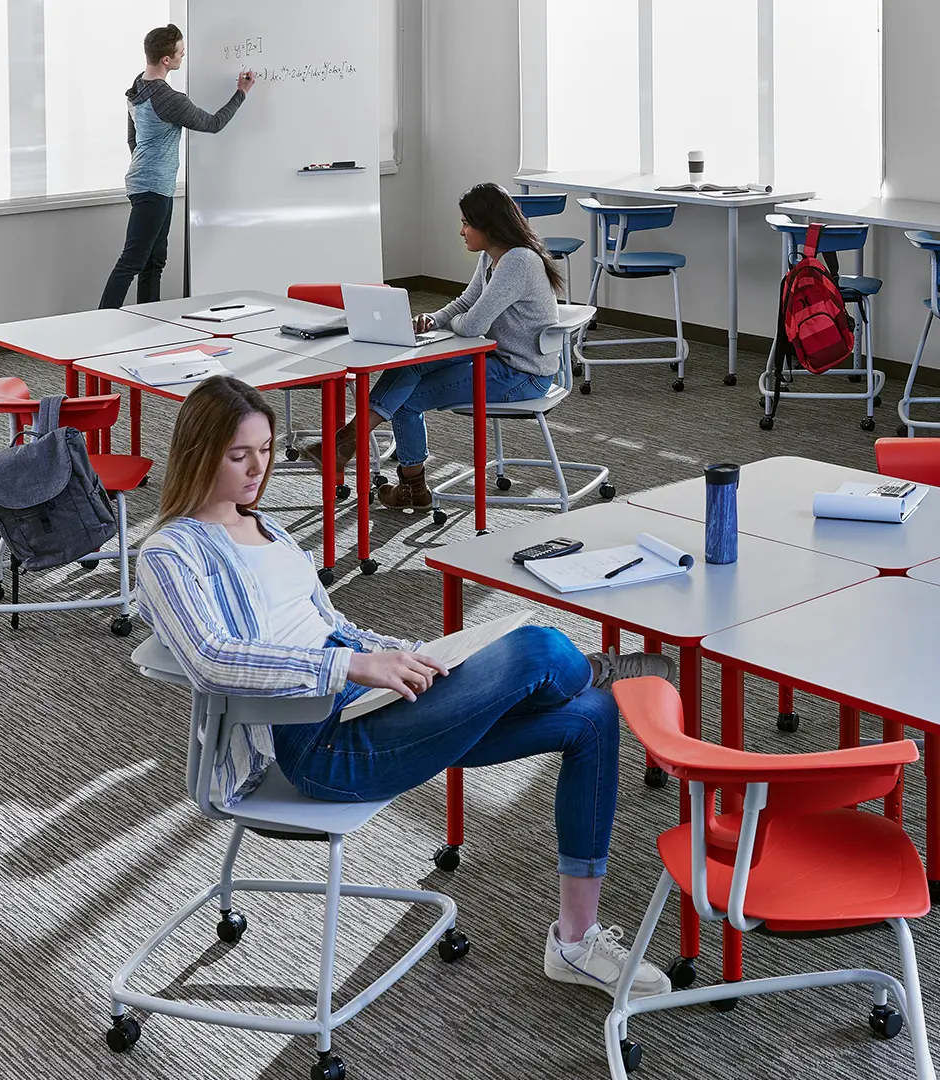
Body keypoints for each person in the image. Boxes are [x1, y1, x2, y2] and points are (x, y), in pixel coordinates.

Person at [136, 376, 673, 1000]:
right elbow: (212, 660)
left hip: (368, 705)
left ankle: (575, 943)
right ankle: (591, 667)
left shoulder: (270, 532)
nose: (259, 469)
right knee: (542, 648)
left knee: (592, 718)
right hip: (318, 744)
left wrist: (398, 656)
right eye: (238, 456)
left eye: (264, 449)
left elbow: (329, 626)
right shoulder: (170, 553)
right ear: (199, 454)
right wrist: (351, 669)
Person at [310, 183, 564, 510]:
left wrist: (457, 323)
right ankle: (348, 447)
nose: (461, 231)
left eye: (467, 224)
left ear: (489, 226)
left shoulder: (518, 262)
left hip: (522, 374)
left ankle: (400, 481)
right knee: (409, 365)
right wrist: (434, 319)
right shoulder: (493, 257)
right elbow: (467, 303)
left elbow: (473, 325)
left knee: (405, 400)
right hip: (495, 359)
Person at [98, 25, 254, 309]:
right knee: (132, 261)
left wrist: (148, 164)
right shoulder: (169, 99)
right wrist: (241, 93)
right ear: (166, 60)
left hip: (148, 181)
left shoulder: (136, 87)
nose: (184, 55)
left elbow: (132, 138)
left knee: (154, 260)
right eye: (181, 52)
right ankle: (101, 321)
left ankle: (148, 319)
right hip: (153, 186)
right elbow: (213, 124)